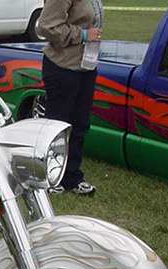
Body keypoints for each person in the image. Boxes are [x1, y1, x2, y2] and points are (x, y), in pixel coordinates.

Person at [37, 0, 104, 195]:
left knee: (80, 124)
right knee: (57, 126)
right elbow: (46, 26)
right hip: (62, 67)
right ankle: (50, 177)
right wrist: (83, 35)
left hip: (86, 65)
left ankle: (72, 177)